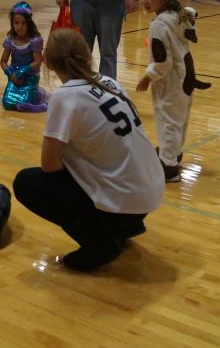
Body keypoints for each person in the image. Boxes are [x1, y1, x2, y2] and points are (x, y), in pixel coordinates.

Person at [12, 29, 164, 272]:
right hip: (149, 193)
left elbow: (49, 166)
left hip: (124, 202)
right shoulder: (110, 82)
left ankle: (99, 244)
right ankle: (123, 228)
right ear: (86, 54)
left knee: (27, 183)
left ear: (48, 64)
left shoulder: (64, 97)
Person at [136, 0, 207, 181]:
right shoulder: (180, 14)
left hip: (172, 80)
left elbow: (162, 62)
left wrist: (148, 77)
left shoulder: (159, 24)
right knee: (179, 119)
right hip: (186, 75)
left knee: (168, 121)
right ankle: (173, 154)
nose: (144, 1)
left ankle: (168, 167)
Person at [0, 2, 48, 113]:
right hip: (14, 77)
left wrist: (23, 71)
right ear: (12, 23)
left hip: (30, 77)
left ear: (29, 23)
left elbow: (37, 62)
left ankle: (42, 105)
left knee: (22, 105)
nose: (19, 26)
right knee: (7, 104)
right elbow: (3, 61)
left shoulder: (34, 40)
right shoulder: (10, 39)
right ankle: (36, 94)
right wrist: (11, 74)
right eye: (16, 23)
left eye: (23, 23)